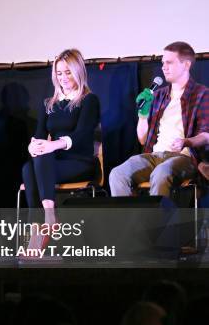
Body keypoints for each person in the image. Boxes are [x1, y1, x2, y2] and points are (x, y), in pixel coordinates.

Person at [21, 49, 100, 248]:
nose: (63, 78)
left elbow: (82, 135)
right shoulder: (49, 103)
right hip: (52, 163)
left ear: (78, 72)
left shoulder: (89, 100)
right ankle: (44, 222)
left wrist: (52, 145)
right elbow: (39, 135)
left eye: (68, 72)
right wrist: (34, 146)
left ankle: (45, 223)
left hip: (79, 162)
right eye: (59, 73)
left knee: (38, 162)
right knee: (28, 167)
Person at [110, 41, 209, 197]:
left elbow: (206, 136)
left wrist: (186, 141)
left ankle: (158, 221)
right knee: (117, 174)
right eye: (163, 63)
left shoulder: (202, 94)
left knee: (161, 173)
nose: (164, 67)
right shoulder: (158, 95)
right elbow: (142, 140)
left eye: (169, 62)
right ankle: (130, 221)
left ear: (186, 65)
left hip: (184, 158)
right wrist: (142, 116)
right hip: (155, 155)